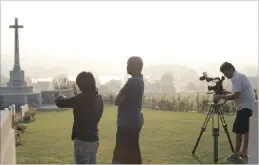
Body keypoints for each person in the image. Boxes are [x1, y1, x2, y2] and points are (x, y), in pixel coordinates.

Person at [54, 71, 103, 164]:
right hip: (94, 140)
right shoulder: (98, 97)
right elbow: (85, 105)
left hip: (82, 140)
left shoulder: (80, 99)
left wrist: (60, 96)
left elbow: (60, 103)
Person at [213, 62, 253, 160]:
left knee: (238, 130)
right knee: (245, 131)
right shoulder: (239, 76)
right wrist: (226, 93)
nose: (224, 75)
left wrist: (220, 97)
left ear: (231, 69)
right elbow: (237, 93)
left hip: (244, 107)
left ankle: (236, 153)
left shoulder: (236, 78)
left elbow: (236, 95)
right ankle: (244, 152)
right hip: (248, 106)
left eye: (225, 72)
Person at [112, 56, 144, 164]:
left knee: (120, 152)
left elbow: (117, 100)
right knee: (133, 150)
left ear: (136, 67)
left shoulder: (132, 82)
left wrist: (119, 92)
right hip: (134, 120)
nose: (127, 66)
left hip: (127, 122)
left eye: (129, 64)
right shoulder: (140, 80)